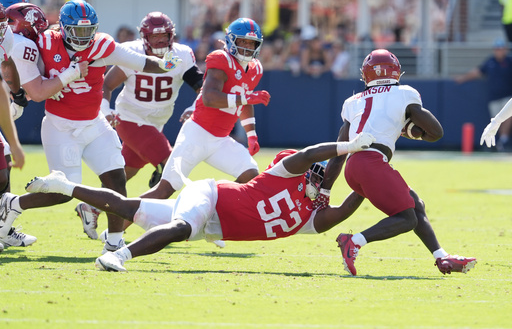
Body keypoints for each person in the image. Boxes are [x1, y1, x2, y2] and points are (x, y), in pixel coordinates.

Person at [24, 133, 376, 272]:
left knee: (127, 208)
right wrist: (350, 147)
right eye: (312, 172)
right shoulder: (282, 173)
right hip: (210, 196)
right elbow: (312, 153)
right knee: (179, 228)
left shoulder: (310, 218)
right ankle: (117, 255)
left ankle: (65, 186)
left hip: (215, 224)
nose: (317, 175)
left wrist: (368, 182)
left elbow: (343, 210)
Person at [0, 0, 182, 252]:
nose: (84, 37)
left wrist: (165, 65)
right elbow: (30, 80)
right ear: (63, 28)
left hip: (94, 123)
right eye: (78, 31)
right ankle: (14, 204)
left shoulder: (103, 45)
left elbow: (138, 61)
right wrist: (48, 83)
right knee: (62, 192)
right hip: (60, 127)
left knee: (117, 181)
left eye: (88, 30)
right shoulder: (43, 43)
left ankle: (114, 243)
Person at [317, 49, 477, 276]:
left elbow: (339, 152)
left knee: (415, 204)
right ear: (396, 72)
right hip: (372, 162)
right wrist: (411, 130)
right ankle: (353, 241)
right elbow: (436, 133)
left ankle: (442, 257)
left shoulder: (352, 102)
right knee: (407, 219)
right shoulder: (404, 93)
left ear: (366, 75)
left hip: (354, 166)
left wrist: (325, 189)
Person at [75, 11, 204, 241]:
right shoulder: (133, 52)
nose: (160, 41)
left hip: (156, 124)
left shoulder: (181, 55)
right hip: (130, 118)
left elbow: (200, 85)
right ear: (144, 37)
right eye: (155, 37)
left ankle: (92, 208)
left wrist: (196, 105)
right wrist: (106, 111)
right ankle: (120, 230)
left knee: (120, 178)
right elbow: (106, 85)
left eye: (164, 35)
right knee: (171, 170)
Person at [139, 17, 270, 201]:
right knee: (164, 191)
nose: (247, 46)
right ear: (232, 40)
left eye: (252, 43)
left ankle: (216, 213)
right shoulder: (221, 59)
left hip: (221, 139)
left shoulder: (255, 68)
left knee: (250, 174)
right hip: (197, 134)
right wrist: (247, 97)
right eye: (243, 41)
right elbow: (210, 98)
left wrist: (251, 134)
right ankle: (115, 224)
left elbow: (244, 101)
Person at [0, 1, 37, 249]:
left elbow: (6, 60)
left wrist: (16, 90)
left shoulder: (6, 36)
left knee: (3, 170)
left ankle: (4, 229)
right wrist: (15, 142)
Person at [454, 38, 512, 151]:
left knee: (506, 118)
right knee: (498, 119)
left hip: (507, 95)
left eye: (501, 49)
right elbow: (477, 71)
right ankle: (501, 143)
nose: (499, 51)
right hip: (494, 97)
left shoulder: (509, 61)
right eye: (497, 49)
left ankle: (503, 140)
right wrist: (463, 78)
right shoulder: (490, 62)